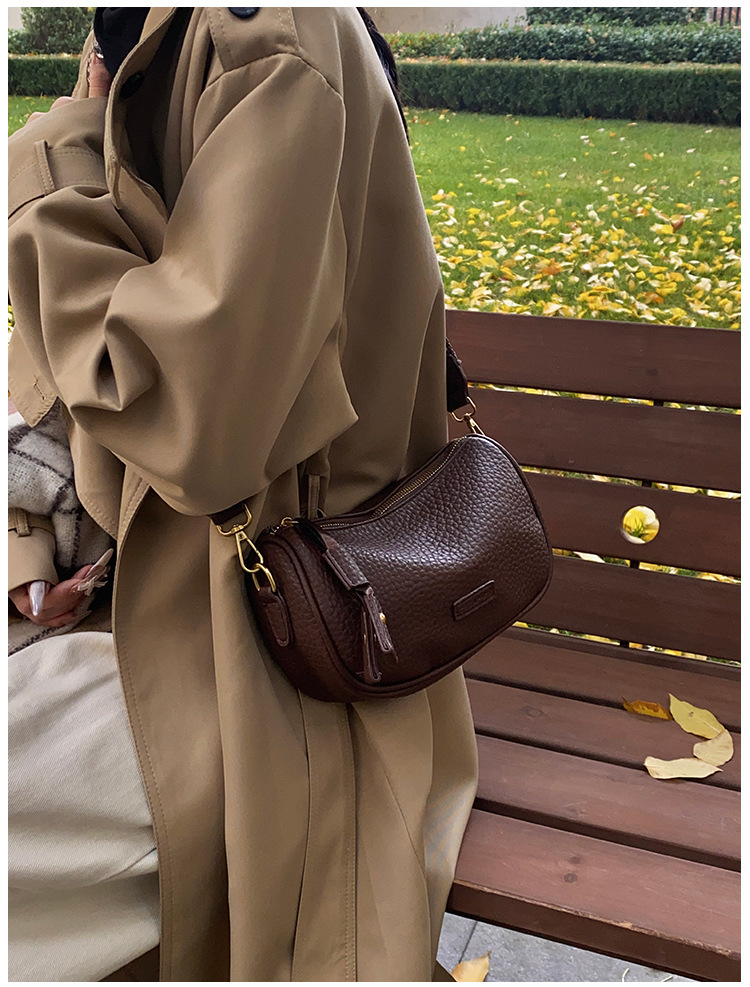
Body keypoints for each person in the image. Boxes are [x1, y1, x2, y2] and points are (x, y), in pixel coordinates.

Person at [8, 7, 479, 982]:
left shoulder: (269, 37)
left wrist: (49, 163)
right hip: (149, 618)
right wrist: (22, 544)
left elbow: (196, 427)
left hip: (271, 660)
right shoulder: (147, 37)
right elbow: (44, 386)